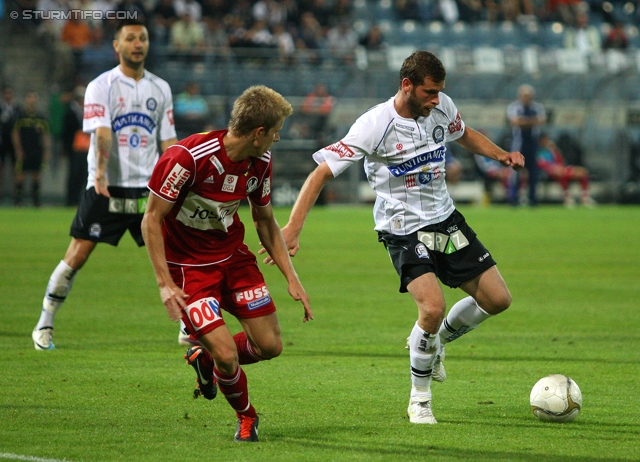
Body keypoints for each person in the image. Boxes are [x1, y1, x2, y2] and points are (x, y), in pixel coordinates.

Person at [261, 51, 524, 424]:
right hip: (402, 229)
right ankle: (420, 399)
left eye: (439, 93)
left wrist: (500, 155)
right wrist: (293, 228)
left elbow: (463, 135)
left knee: (499, 300)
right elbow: (321, 173)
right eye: (430, 92)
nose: (436, 100)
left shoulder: (441, 107)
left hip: (446, 220)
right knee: (431, 308)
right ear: (407, 86)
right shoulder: (374, 125)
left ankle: (436, 343)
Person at [141, 85, 312, 443]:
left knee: (270, 347)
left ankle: (207, 358)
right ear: (258, 133)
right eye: (276, 130)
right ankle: (247, 416)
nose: (279, 138)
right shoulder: (185, 159)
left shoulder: (260, 160)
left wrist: (291, 277)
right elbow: (151, 220)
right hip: (189, 270)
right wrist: (164, 283)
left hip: (234, 259)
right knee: (228, 355)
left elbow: (264, 220)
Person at [31, 19, 178, 350]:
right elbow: (101, 133)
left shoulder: (161, 88)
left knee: (175, 254)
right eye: (130, 38)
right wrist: (98, 174)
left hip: (149, 189)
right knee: (78, 254)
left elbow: (169, 141)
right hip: (107, 186)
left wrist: (176, 180)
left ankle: (187, 323)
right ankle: (45, 322)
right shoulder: (101, 85)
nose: (137, 43)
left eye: (142, 38)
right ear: (117, 46)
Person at [506, 84, 545, 206]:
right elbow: (514, 121)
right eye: (524, 95)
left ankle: (533, 199)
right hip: (519, 144)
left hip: (532, 144)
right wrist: (532, 121)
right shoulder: (514, 107)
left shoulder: (538, 107)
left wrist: (523, 121)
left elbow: (542, 120)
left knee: (533, 172)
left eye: (528, 96)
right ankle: (514, 199)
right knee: (516, 171)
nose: (526, 98)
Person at [12, 92, 51, 207]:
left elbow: (45, 135)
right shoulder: (20, 117)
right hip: (24, 149)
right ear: (26, 100)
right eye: (30, 98)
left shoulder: (41, 118)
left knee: (36, 175)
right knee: (20, 175)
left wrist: (46, 150)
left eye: (34, 98)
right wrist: (18, 149)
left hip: (37, 150)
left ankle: (36, 200)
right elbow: (15, 133)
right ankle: (18, 200)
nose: (32, 101)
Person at [537, 132, 594, 207]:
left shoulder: (552, 149)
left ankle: (585, 197)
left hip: (560, 168)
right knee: (560, 173)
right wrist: (553, 168)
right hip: (548, 171)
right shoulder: (538, 151)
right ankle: (567, 197)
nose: (546, 141)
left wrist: (554, 149)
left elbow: (560, 161)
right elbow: (540, 164)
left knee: (582, 172)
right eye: (544, 140)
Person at [62, 86, 90, 207]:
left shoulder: (84, 111)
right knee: (74, 175)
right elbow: (66, 132)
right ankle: (71, 199)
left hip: (85, 148)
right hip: (74, 149)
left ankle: (79, 199)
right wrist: (68, 149)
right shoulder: (70, 112)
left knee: (83, 175)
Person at [0, 85, 20, 200]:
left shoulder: (17, 109)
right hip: (2, 143)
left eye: (10, 93)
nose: (8, 95)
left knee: (16, 168)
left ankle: (17, 194)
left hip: (14, 144)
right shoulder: (1, 109)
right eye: (6, 93)